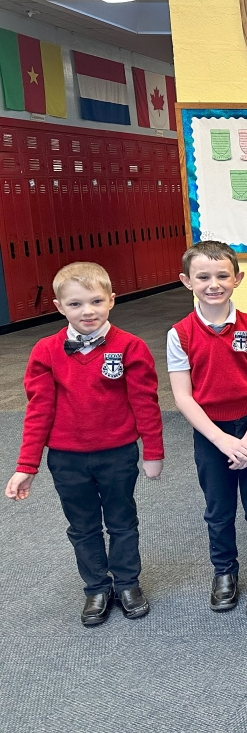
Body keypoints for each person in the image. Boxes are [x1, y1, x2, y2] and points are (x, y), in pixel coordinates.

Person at [6, 262, 163, 627]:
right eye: (75, 304)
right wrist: (26, 466)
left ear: (112, 300)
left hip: (118, 454)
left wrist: (153, 451)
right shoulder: (46, 351)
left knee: (122, 521)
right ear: (59, 307)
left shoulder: (130, 347)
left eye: (95, 301)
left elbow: (146, 403)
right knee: (82, 526)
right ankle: (96, 587)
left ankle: (127, 583)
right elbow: (38, 411)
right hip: (67, 459)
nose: (87, 311)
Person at [167, 241, 247, 616]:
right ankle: (225, 573)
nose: (213, 284)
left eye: (221, 276)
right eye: (203, 277)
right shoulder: (179, 333)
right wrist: (221, 440)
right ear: (187, 281)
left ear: (238, 278)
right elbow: (183, 396)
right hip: (210, 433)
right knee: (218, 509)